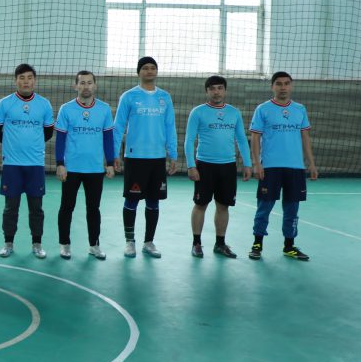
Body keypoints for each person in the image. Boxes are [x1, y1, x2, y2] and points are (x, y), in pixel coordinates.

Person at [248, 71, 318, 261]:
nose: (283, 87)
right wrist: (256, 163)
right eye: (278, 83)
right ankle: (257, 244)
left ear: (291, 86)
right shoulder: (263, 109)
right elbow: (255, 137)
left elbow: (305, 137)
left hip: (295, 168)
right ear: (272, 87)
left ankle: (289, 246)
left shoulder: (300, 109)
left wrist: (311, 163)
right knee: (264, 208)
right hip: (270, 168)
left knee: (292, 210)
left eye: (287, 83)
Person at [113, 56, 178, 258]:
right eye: (145, 68)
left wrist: (173, 154)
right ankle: (129, 242)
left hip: (157, 158)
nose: (149, 71)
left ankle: (148, 242)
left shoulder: (165, 97)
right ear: (138, 72)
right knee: (132, 200)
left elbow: (170, 127)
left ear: (156, 71)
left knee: (153, 201)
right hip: (135, 157)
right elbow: (118, 127)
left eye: (152, 68)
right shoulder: (129, 96)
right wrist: (114, 154)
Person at [184, 75, 252, 258]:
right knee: (200, 204)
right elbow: (189, 140)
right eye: (212, 88)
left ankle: (220, 244)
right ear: (207, 91)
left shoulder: (234, 113)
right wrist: (191, 165)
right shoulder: (198, 112)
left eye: (220, 88)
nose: (216, 92)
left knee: (223, 206)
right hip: (204, 166)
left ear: (225, 91)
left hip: (228, 166)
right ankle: (196, 243)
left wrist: (248, 164)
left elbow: (242, 140)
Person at [0, 64, 55, 259]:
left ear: (34, 80)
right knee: (11, 208)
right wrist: (12, 145)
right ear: (15, 80)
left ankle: (37, 244)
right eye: (22, 78)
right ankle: (8, 243)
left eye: (29, 77)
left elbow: (48, 132)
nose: (26, 81)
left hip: (35, 164)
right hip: (12, 165)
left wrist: (32, 146)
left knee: (36, 208)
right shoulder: (5, 103)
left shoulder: (44, 104)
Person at [54, 71, 115, 260]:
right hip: (71, 168)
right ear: (75, 86)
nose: (86, 86)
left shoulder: (104, 109)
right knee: (67, 207)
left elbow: (108, 138)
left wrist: (110, 163)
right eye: (82, 83)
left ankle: (94, 245)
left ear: (94, 86)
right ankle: (65, 245)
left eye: (89, 82)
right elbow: (60, 139)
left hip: (95, 169)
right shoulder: (66, 109)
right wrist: (60, 163)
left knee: (93, 209)